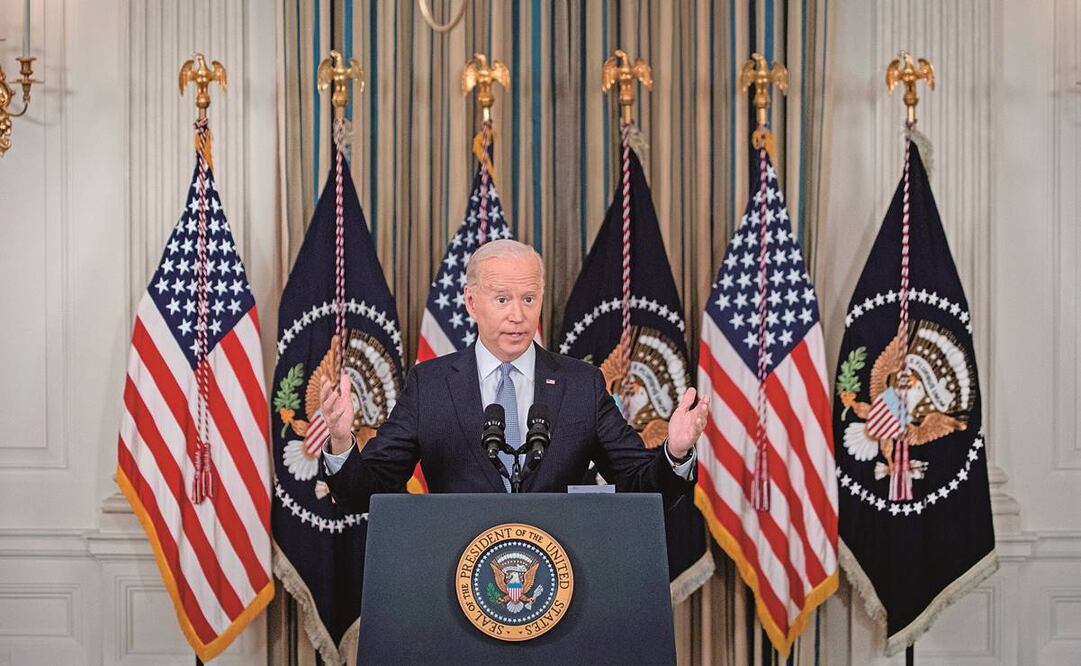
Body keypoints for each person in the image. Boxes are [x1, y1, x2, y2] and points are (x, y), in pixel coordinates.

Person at [320, 239, 709, 512]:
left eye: (529, 299)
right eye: (502, 299)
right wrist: (340, 441)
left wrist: (674, 452)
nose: (518, 315)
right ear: (472, 302)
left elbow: (640, 484)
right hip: (459, 584)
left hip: (559, 583)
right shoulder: (431, 386)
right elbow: (367, 493)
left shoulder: (581, 385)